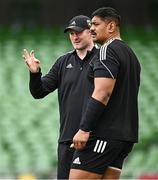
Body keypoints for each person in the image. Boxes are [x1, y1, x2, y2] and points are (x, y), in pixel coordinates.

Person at [23, 15, 98, 179]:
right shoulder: (63, 62)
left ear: (91, 32)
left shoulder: (102, 58)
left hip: (94, 138)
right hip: (67, 140)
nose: (75, 37)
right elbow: (39, 92)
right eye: (71, 33)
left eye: (78, 32)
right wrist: (35, 74)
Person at [69, 7, 141, 179]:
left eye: (95, 24)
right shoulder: (131, 55)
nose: (91, 28)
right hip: (124, 136)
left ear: (111, 26)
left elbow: (102, 93)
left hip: (104, 134)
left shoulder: (107, 50)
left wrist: (84, 129)